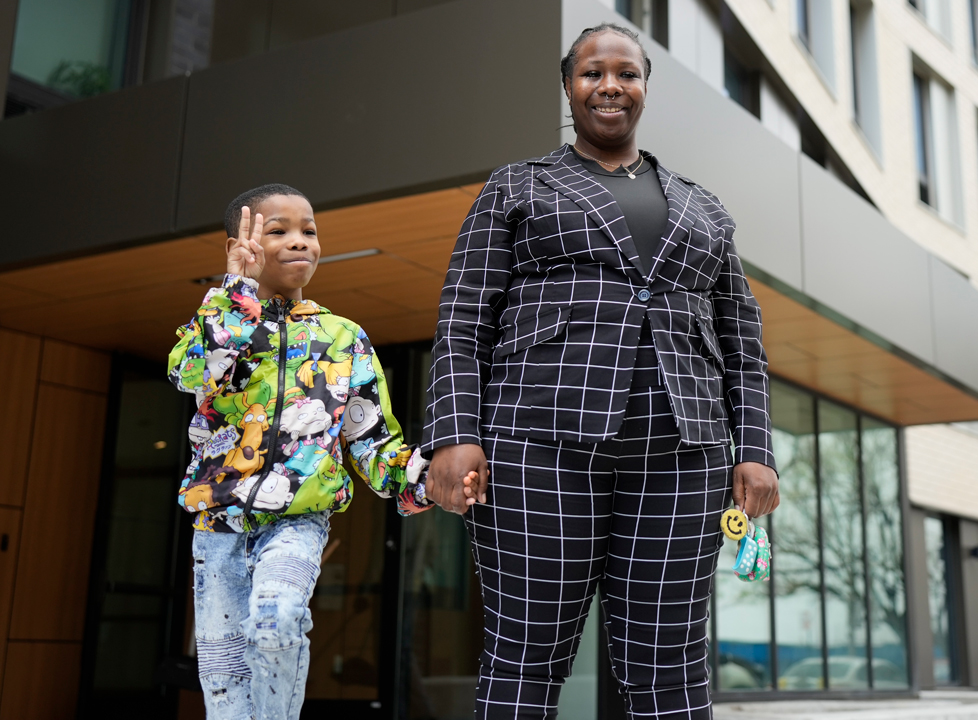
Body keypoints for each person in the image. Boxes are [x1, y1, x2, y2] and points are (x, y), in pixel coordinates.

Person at [421, 23, 780, 719]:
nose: (609, 86)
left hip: (684, 455)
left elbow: (743, 342)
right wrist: (453, 433)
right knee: (526, 653)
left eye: (626, 73)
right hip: (537, 447)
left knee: (672, 660)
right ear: (568, 85)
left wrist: (756, 451)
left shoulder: (705, 206)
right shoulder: (516, 186)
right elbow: (463, 321)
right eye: (591, 73)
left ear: (645, 86)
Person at [166, 183, 434, 720]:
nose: (299, 242)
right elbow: (188, 370)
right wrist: (236, 290)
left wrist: (427, 480)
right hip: (215, 531)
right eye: (278, 231)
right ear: (240, 243)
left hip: (297, 521)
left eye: (309, 231)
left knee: (277, 618)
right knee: (224, 694)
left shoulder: (344, 338)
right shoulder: (222, 322)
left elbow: (372, 440)